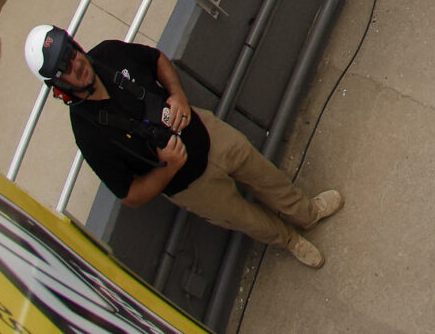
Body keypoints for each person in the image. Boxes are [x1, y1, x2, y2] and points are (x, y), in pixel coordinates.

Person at [25, 25, 342, 269]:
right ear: (59, 85)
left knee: (265, 175)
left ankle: (307, 213)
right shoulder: (87, 133)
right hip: (189, 186)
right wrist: (169, 170)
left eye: (72, 52)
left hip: (206, 133)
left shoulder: (109, 54)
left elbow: (156, 59)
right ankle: (290, 241)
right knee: (246, 219)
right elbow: (129, 195)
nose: (77, 64)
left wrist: (177, 95)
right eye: (65, 67)